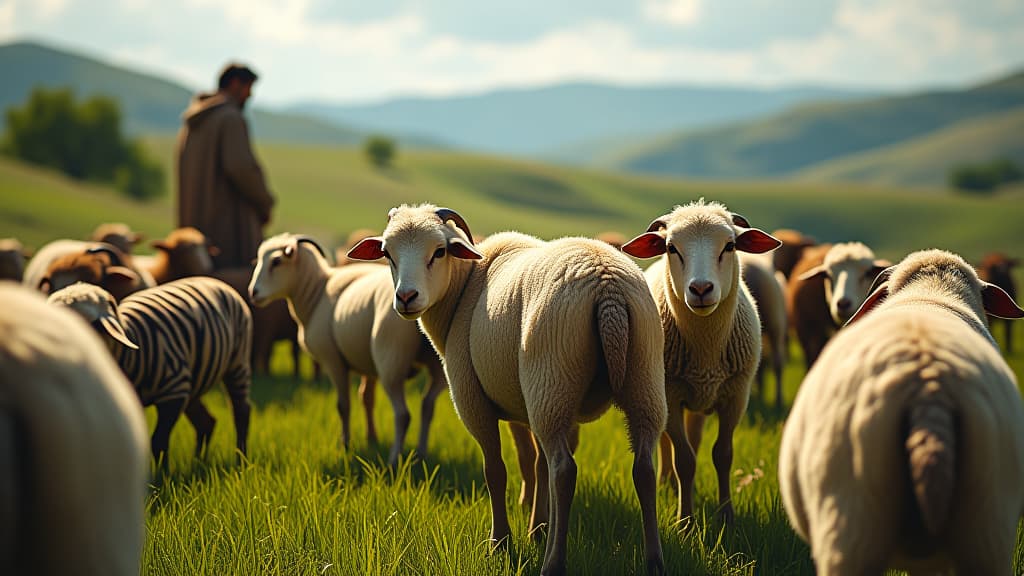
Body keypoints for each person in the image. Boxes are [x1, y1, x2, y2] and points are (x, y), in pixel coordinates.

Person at [176, 63, 275, 270]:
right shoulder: (230, 118)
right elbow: (241, 168)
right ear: (235, 84)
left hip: (195, 231)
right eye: (249, 88)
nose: (250, 96)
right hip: (228, 231)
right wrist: (265, 202)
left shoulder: (195, 121)